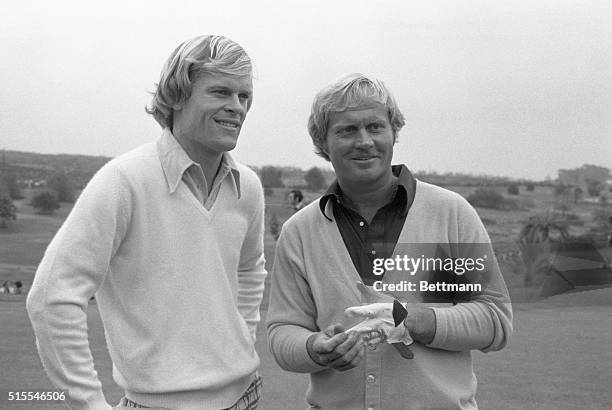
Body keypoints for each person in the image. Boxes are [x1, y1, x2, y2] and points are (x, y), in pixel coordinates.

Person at [27, 35, 266, 410]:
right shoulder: (123, 181)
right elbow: (51, 297)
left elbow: (251, 270)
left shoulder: (248, 187)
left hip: (247, 395)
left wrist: (242, 339)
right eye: (221, 92)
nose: (237, 107)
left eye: (244, 96)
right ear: (177, 97)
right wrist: (90, 403)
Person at [266, 73, 513, 409]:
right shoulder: (299, 232)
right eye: (347, 130)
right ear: (323, 143)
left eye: (375, 126)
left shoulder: (451, 214)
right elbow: (283, 331)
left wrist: (412, 320)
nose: (364, 140)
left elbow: (494, 319)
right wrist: (314, 348)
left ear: (394, 132)